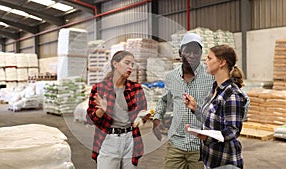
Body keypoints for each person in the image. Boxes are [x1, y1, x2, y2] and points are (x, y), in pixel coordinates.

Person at [152, 32, 214, 169]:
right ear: (180, 53)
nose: (192, 55)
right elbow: (164, 100)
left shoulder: (210, 77)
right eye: (188, 51)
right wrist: (157, 118)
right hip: (176, 144)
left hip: (200, 146)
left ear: (201, 54)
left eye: (196, 52)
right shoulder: (171, 77)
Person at [183, 44, 249, 169]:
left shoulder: (232, 94)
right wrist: (195, 108)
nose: (205, 61)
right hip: (210, 159)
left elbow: (232, 130)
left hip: (225, 162)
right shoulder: (215, 89)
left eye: (209, 58)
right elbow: (210, 120)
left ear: (222, 62)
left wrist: (206, 137)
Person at [86, 50, 150, 169]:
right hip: (109, 139)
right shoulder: (100, 88)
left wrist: (142, 117)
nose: (130, 67)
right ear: (115, 64)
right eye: (127, 63)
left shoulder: (136, 88)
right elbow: (90, 119)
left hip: (130, 139)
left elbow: (142, 111)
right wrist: (101, 111)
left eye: (132, 64)